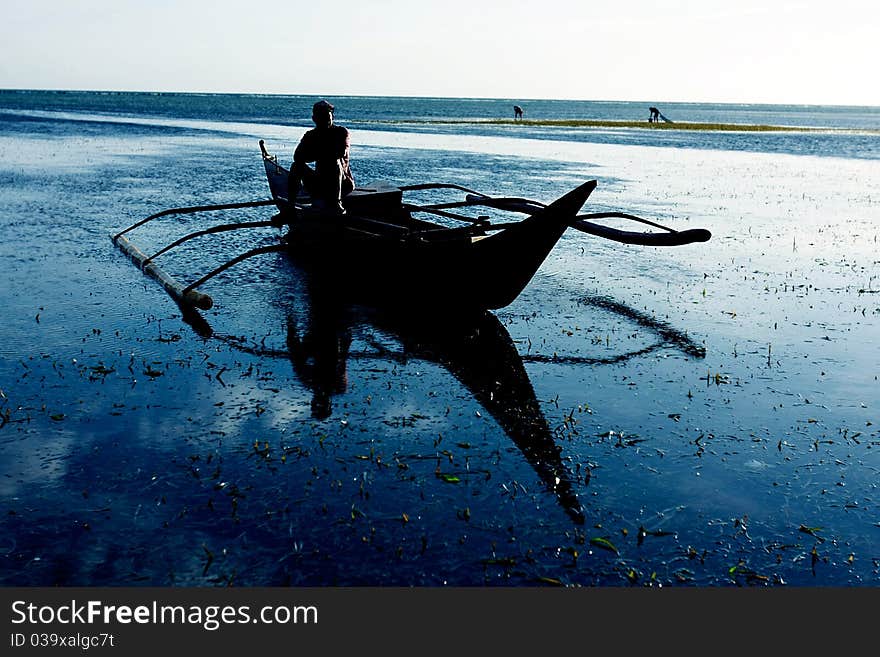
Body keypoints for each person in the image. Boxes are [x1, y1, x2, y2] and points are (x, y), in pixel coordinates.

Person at [290, 100, 355, 215]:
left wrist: (317, 153)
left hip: (343, 183)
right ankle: (289, 208)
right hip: (320, 182)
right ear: (314, 119)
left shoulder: (341, 132)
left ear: (332, 117)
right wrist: (321, 153)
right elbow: (297, 156)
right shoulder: (310, 135)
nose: (326, 121)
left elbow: (340, 153)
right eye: (322, 118)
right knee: (296, 166)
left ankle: (336, 203)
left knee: (334, 161)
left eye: (328, 117)